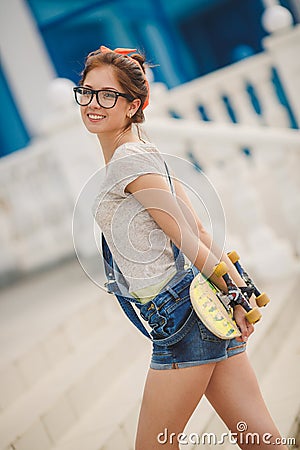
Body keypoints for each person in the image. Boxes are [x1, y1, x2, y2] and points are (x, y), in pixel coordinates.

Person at [74, 45, 287, 450]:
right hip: (196, 308)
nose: (93, 104)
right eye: (86, 92)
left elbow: (189, 238)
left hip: (180, 318)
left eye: (107, 95)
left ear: (134, 104)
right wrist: (235, 293)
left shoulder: (127, 162)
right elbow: (201, 230)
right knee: (261, 438)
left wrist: (237, 297)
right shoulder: (145, 154)